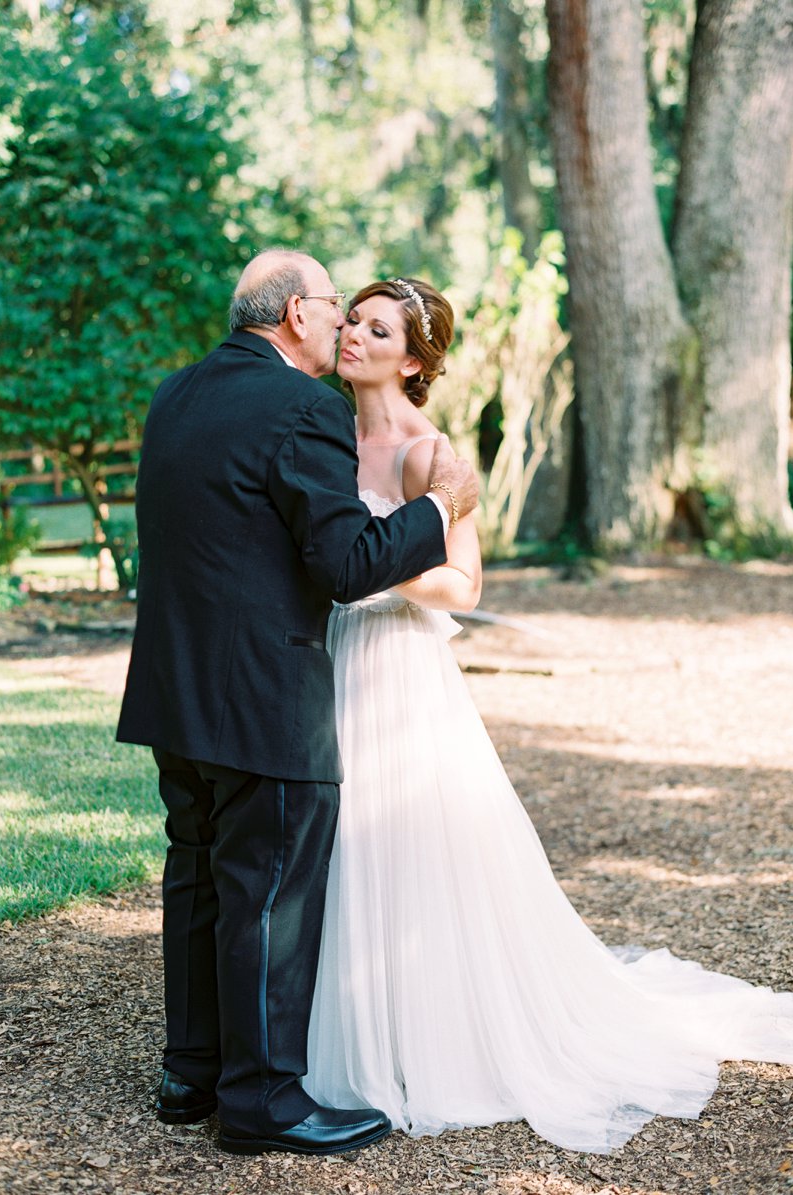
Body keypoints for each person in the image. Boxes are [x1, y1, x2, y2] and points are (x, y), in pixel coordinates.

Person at [302, 278, 793, 1153]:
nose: (352, 334)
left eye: (376, 327)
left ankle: (423, 1037)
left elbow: (465, 585)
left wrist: (368, 565)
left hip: (395, 659)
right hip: (326, 659)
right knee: (334, 840)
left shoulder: (434, 456)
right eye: (351, 319)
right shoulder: (321, 435)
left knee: (401, 844)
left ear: (415, 359)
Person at [116, 250, 479, 1157]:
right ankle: (265, 1102)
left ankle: (188, 1073)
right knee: (268, 893)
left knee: (199, 878)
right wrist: (439, 509)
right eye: (332, 306)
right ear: (293, 315)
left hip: (178, 690)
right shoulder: (303, 407)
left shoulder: (177, 395)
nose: (341, 324)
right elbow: (348, 566)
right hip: (264, 696)